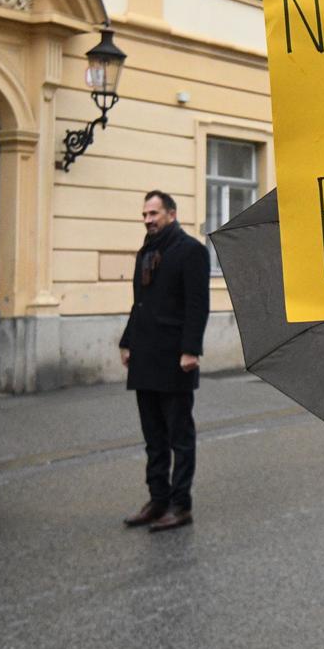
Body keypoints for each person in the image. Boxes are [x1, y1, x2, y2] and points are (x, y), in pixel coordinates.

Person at [120, 191, 210, 532]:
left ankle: (180, 504)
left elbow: (197, 305)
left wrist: (191, 350)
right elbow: (139, 303)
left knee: (179, 437)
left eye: (154, 213)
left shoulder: (191, 251)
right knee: (153, 436)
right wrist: (128, 341)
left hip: (175, 358)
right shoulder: (147, 251)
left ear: (171, 214)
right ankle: (157, 499)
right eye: (144, 213)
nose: (148, 219)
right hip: (145, 356)